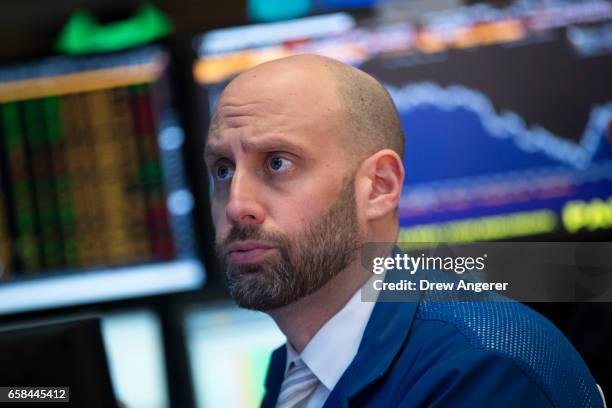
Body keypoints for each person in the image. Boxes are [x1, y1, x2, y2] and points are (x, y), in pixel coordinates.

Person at [204, 54, 605, 407]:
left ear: (380, 186)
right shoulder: (293, 370)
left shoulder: (483, 367)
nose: (237, 205)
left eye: (278, 163)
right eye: (223, 169)